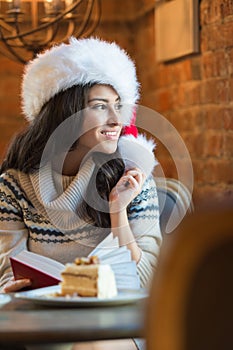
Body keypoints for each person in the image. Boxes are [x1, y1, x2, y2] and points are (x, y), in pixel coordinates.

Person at [0, 38, 161, 348]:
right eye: (100, 106)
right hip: (41, 325)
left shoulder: (133, 179)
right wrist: (12, 287)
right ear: (65, 112)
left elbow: (144, 282)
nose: (117, 120)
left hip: (115, 329)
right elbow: (8, 276)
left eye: (118, 105)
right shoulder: (13, 186)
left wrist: (118, 212)